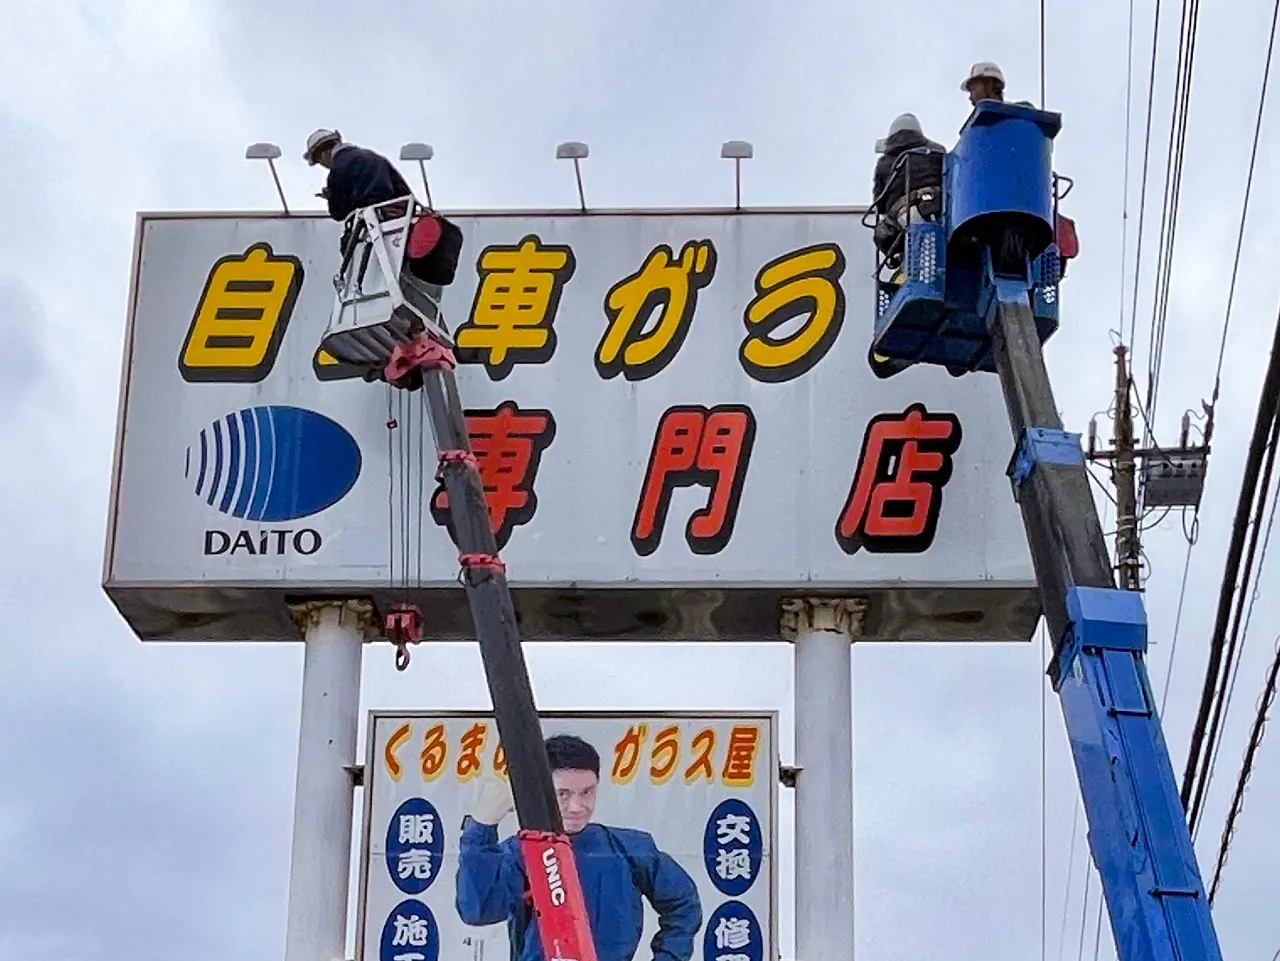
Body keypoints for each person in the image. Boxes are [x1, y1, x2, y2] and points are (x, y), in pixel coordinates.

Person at [455, 734, 702, 961]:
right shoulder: (521, 853)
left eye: (587, 792)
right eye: (562, 794)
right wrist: (481, 828)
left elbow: (684, 904)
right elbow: (478, 911)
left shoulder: (630, 848)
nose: (576, 806)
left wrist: (669, 957)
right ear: (542, 791)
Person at [870, 113, 945, 266]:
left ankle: (901, 260)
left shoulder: (884, 162)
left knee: (888, 237)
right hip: (940, 207)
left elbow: (879, 204)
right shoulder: (937, 152)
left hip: (904, 214)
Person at [304, 128, 414, 224]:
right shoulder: (376, 158)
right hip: (400, 220)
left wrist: (331, 195)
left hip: (372, 224)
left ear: (324, 153)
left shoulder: (337, 170)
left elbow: (339, 213)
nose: (324, 166)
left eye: (320, 161)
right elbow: (404, 193)